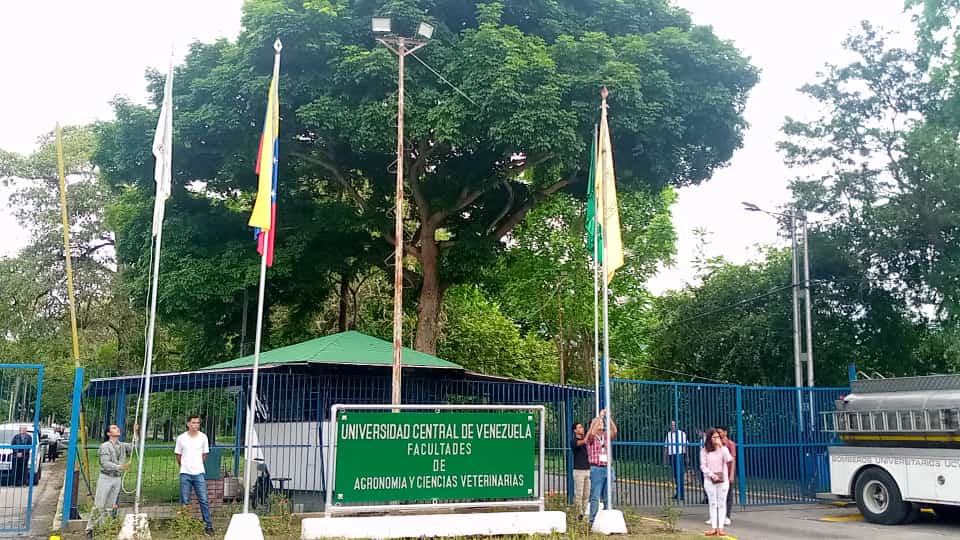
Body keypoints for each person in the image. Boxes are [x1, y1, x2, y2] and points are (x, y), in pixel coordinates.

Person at [86, 424, 136, 539]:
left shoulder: (122, 445)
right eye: (114, 428)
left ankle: (103, 528)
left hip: (117, 478)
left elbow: (135, 447)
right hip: (106, 478)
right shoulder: (105, 446)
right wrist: (120, 467)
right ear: (109, 433)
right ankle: (90, 528)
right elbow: (105, 463)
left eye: (117, 427)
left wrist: (135, 433)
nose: (117, 429)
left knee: (110, 505)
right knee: (99, 505)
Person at [175, 415, 213, 536]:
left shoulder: (203, 437)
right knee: (184, 501)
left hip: (199, 473)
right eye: (193, 423)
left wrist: (197, 465)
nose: (196, 425)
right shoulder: (181, 438)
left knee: (204, 500)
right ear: (188, 424)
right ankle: (184, 525)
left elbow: (204, 454)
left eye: (197, 423)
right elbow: (178, 455)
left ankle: (208, 525)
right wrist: (184, 465)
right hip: (185, 473)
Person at [586, 408, 618, 524]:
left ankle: (606, 520)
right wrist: (599, 417)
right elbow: (592, 433)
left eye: (601, 422)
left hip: (608, 468)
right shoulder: (590, 438)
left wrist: (607, 417)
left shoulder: (605, 435)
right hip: (597, 468)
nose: (601, 423)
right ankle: (592, 521)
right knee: (595, 496)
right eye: (598, 423)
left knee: (608, 496)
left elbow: (615, 431)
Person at [700, 428, 733, 537]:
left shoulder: (723, 449)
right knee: (713, 503)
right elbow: (703, 466)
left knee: (721, 503)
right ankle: (714, 527)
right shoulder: (704, 450)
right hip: (710, 480)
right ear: (709, 438)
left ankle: (721, 528)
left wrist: (721, 447)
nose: (716, 439)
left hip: (722, 480)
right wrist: (712, 475)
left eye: (717, 437)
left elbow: (729, 459)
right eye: (714, 437)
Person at [663, 420, 687, 500]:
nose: (673, 426)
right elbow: (666, 447)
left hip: (679, 455)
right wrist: (665, 459)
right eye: (672, 425)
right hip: (671, 455)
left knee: (680, 474)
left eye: (674, 425)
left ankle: (681, 494)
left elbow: (686, 446)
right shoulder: (668, 434)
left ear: (677, 426)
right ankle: (678, 493)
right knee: (675, 475)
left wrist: (687, 457)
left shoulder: (682, 434)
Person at [571, 422, 590, 519]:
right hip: (579, 471)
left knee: (586, 494)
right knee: (579, 494)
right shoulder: (574, 441)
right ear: (575, 430)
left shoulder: (586, 440)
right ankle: (578, 514)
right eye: (580, 427)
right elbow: (584, 441)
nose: (582, 428)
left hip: (587, 470)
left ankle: (584, 513)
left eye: (582, 427)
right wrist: (590, 429)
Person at [718, 426, 736, 525]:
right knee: (719, 494)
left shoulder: (731, 444)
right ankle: (719, 515)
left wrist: (732, 474)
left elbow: (733, 460)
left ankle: (727, 516)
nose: (719, 434)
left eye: (720, 432)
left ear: (725, 432)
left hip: (728, 471)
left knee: (728, 494)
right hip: (720, 471)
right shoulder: (717, 444)